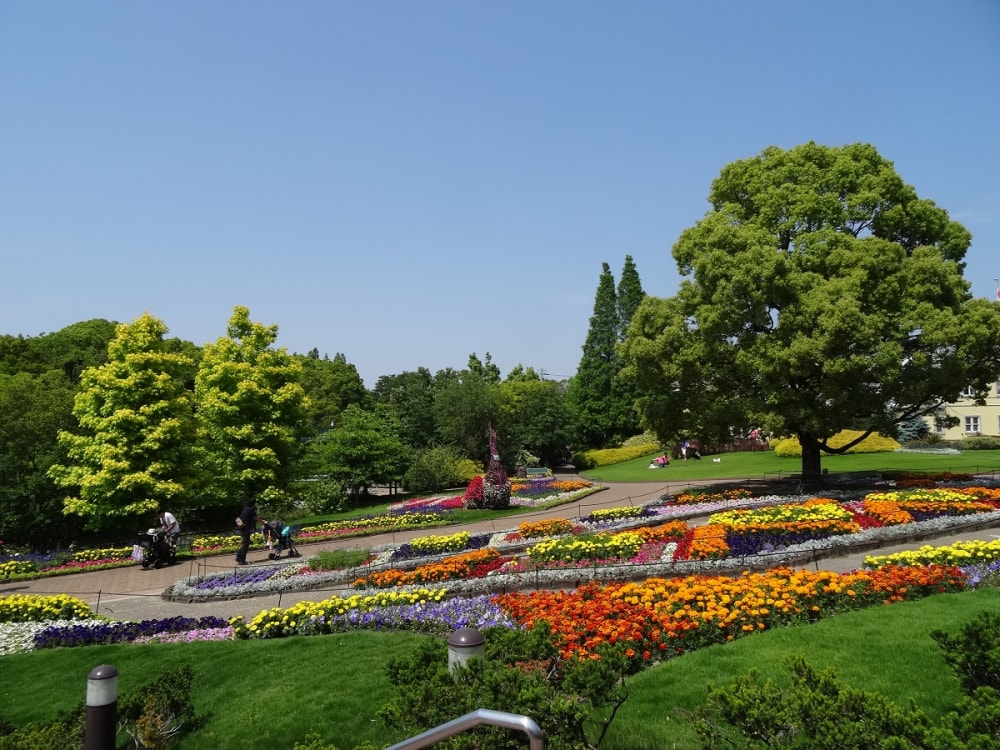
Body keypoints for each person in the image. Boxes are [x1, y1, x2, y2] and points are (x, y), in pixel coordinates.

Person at [235, 498, 263, 565]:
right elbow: (256, 518)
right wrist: (263, 522)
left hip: (241, 527)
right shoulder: (251, 509)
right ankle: (242, 560)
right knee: (246, 544)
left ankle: (238, 557)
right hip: (245, 528)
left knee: (244, 543)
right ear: (253, 504)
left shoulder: (245, 508)